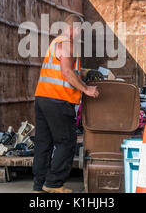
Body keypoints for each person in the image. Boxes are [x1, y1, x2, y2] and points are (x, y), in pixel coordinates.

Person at [32, 14, 99, 193]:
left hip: (42, 98)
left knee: (43, 143)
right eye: (82, 31)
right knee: (66, 142)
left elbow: (66, 69)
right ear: (76, 29)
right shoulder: (68, 44)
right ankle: (53, 184)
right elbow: (67, 72)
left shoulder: (56, 42)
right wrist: (86, 89)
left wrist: (84, 73)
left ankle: (39, 186)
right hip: (58, 100)